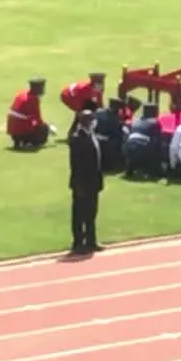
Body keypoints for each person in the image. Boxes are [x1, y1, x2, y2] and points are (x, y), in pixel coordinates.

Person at [67, 109, 104, 255]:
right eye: (89, 120)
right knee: (79, 214)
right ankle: (77, 243)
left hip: (93, 181)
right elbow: (76, 164)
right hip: (81, 183)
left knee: (91, 212)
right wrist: (79, 185)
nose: (92, 122)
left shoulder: (92, 135)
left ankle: (91, 240)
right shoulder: (77, 138)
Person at [7, 77, 54, 150]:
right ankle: (32, 143)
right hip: (21, 130)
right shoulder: (33, 99)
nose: (43, 90)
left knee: (28, 122)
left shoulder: (21, 94)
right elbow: (38, 119)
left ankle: (18, 142)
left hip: (12, 132)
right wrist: (48, 128)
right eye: (42, 87)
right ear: (37, 88)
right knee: (44, 128)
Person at [123, 103, 165, 180]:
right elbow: (157, 141)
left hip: (128, 147)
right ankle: (154, 171)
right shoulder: (154, 122)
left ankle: (129, 170)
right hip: (142, 148)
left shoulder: (136, 121)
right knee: (155, 147)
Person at [93, 98, 126, 171]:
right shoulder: (114, 117)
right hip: (108, 141)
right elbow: (117, 132)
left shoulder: (98, 112)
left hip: (95, 137)